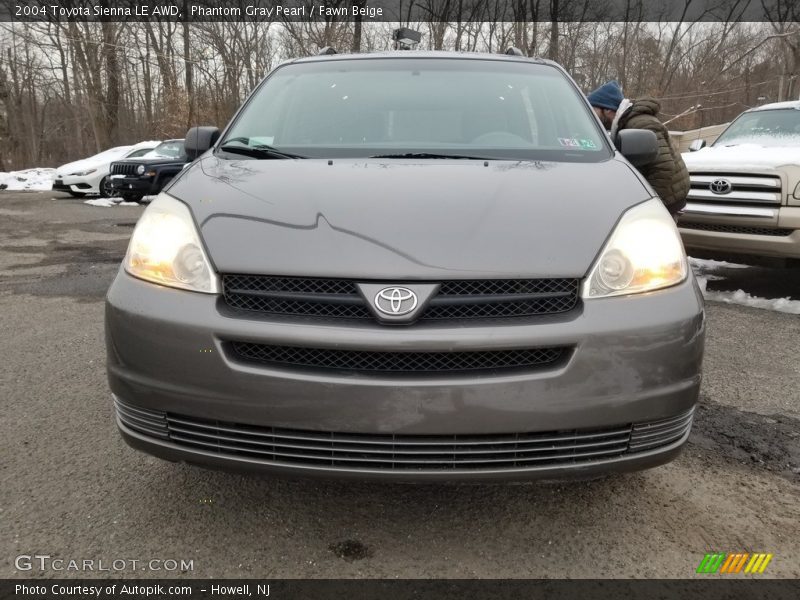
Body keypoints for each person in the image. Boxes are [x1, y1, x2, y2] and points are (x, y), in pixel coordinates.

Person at [587, 80, 689, 218]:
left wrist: (647, 205)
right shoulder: (624, 124)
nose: (591, 116)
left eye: (593, 110)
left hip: (667, 201)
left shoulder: (641, 124)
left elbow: (664, 168)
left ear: (607, 109)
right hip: (661, 197)